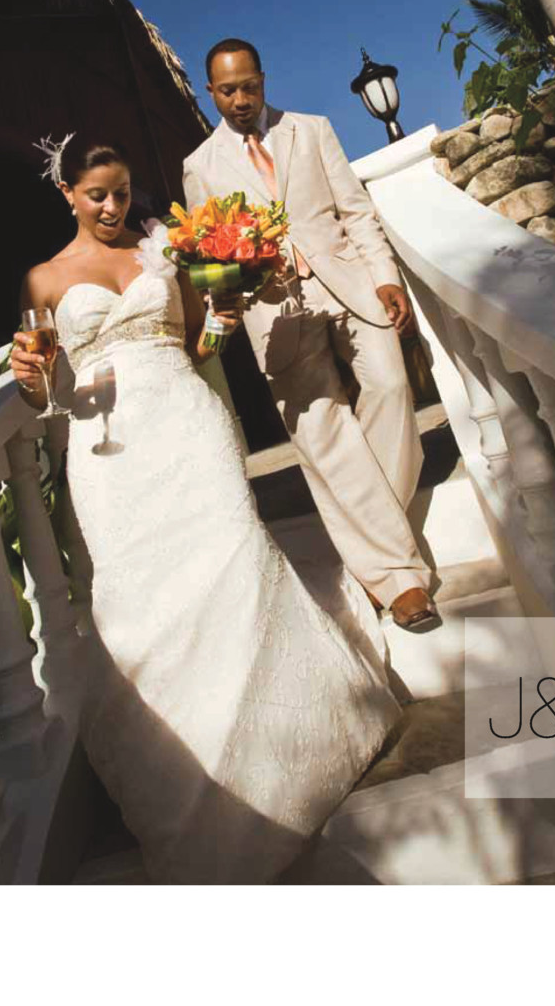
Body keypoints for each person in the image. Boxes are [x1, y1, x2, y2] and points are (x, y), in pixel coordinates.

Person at [10, 134, 401, 884]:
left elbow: (199, 344)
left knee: (234, 560)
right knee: (143, 601)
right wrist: (30, 377)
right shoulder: (43, 278)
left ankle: (284, 744)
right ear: (66, 194)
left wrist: (225, 310)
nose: (113, 207)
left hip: (189, 425)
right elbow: (41, 392)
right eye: (97, 195)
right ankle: (197, 770)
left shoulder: (161, 251)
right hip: (109, 454)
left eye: (122, 191)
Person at [183, 38, 436, 631]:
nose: (241, 100)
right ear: (210, 91)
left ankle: (373, 549)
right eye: (228, 90)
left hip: (350, 285)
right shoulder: (200, 166)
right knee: (324, 436)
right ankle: (400, 582)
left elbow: (355, 210)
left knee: (392, 389)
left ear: (263, 79)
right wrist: (233, 286)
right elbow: (208, 259)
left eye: (250, 86)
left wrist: (385, 276)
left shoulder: (312, 129)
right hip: (275, 314)